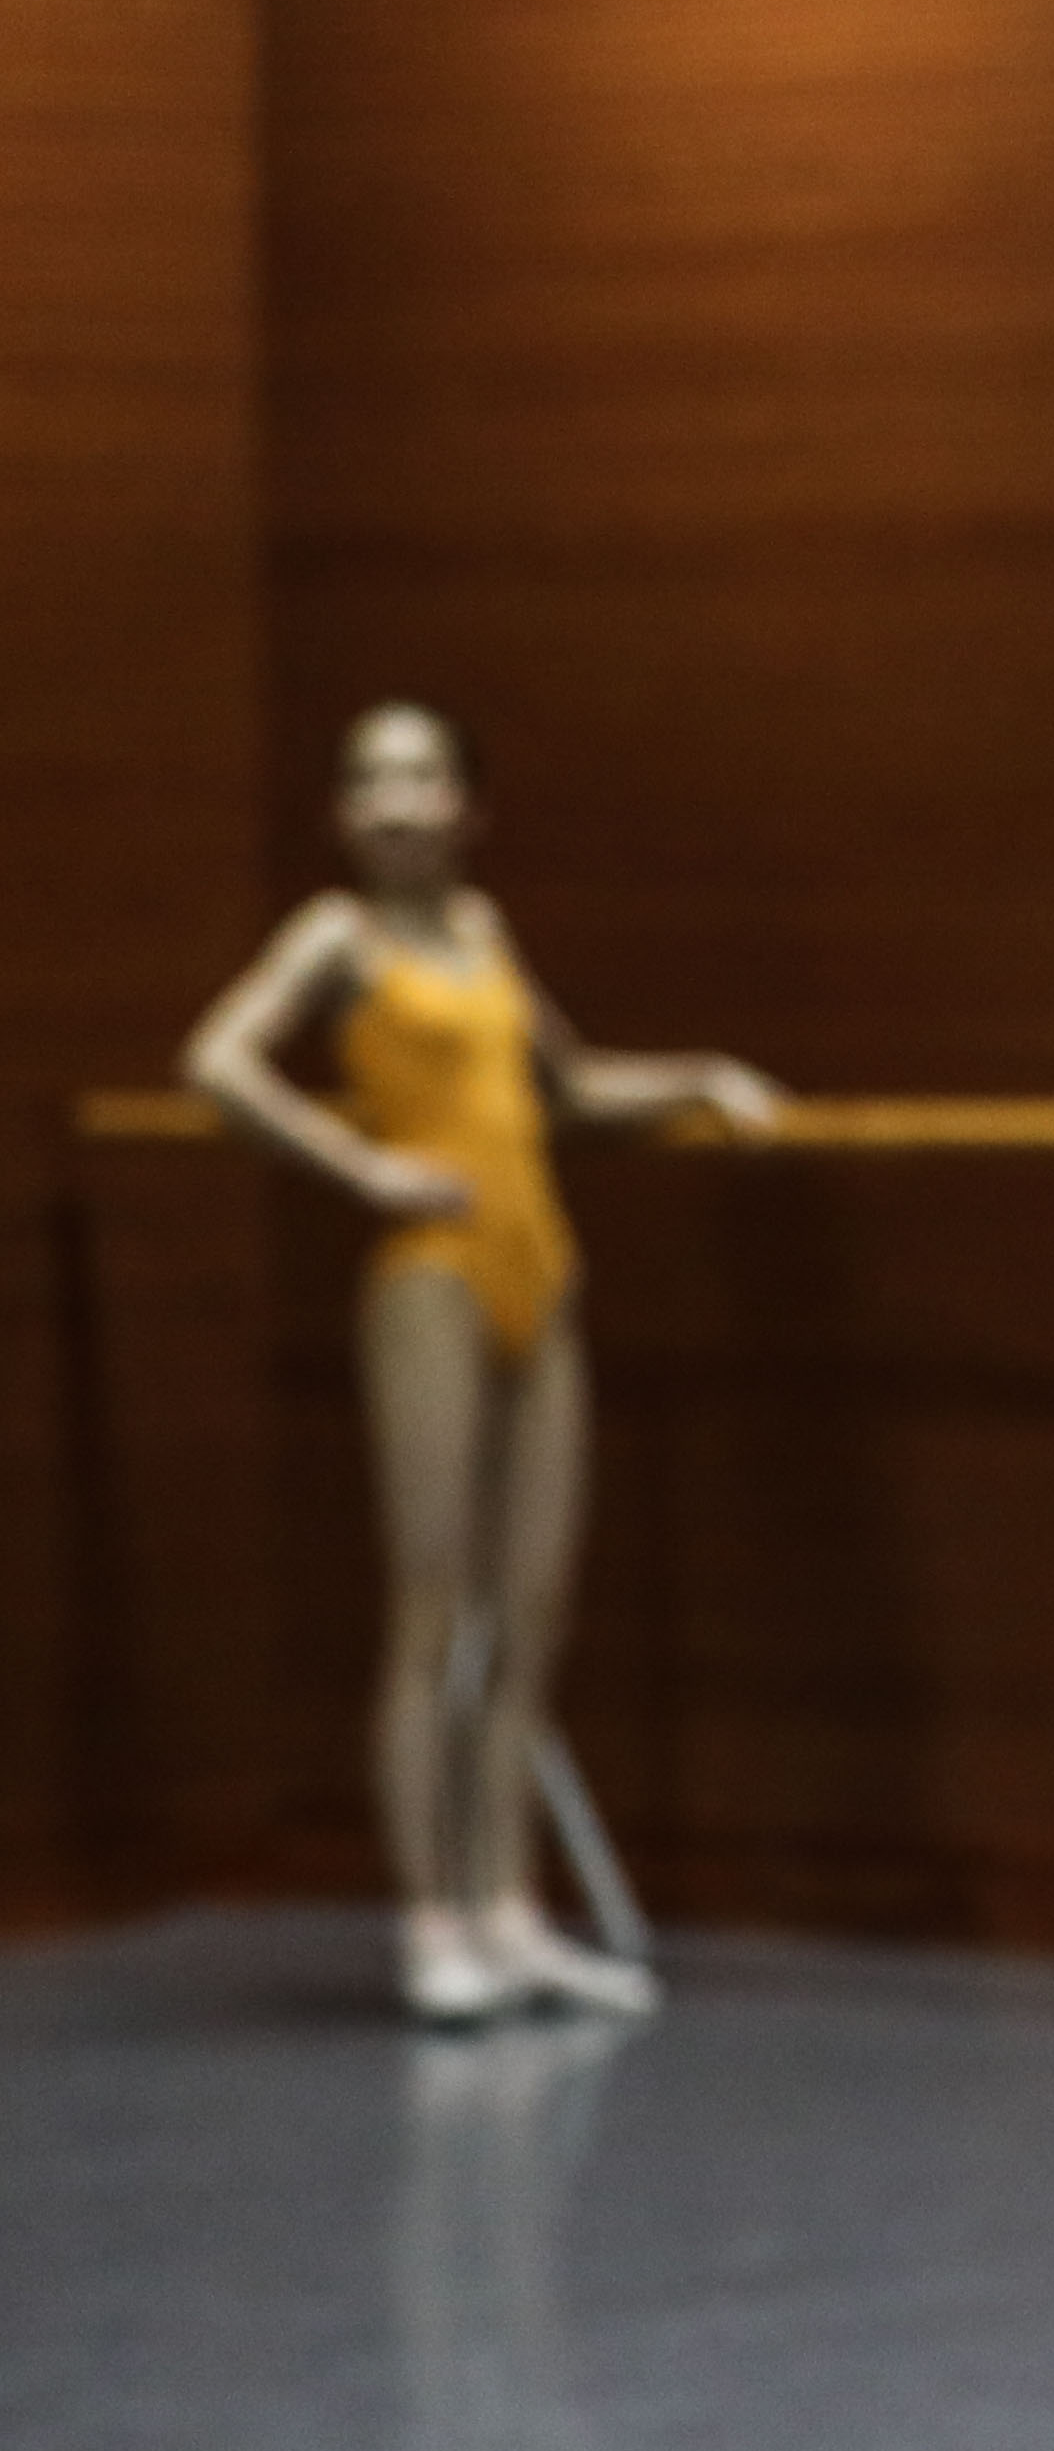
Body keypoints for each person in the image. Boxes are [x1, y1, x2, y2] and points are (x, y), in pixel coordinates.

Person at [184, 703, 785, 2027]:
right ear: (344, 813)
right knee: (433, 1610)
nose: (399, 802)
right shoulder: (335, 936)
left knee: (529, 1615)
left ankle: (508, 1909)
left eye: (422, 777)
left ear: (468, 806)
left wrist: (703, 1076)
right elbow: (216, 1060)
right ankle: (433, 1920)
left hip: (540, 1271)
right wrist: (361, 1168)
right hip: (433, 1275)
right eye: (372, 780)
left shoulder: (486, 932)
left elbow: (567, 1090)